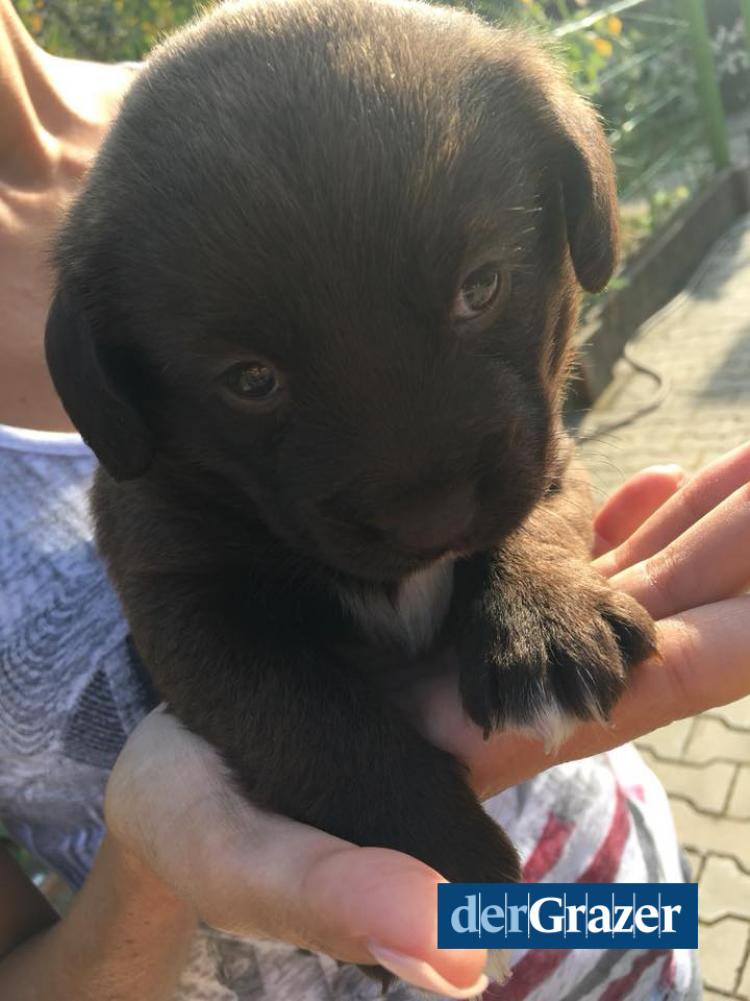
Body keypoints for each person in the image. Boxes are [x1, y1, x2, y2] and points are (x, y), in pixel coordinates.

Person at [1, 1, 749, 997]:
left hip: (622, 904)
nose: (430, 505)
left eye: (479, 288)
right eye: (254, 380)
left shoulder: (387, 99)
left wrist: (533, 565)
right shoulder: (131, 250)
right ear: (115, 386)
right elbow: (195, 619)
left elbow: (554, 485)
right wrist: (161, 855)